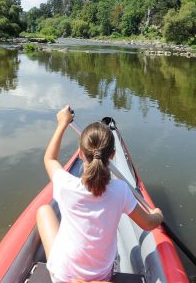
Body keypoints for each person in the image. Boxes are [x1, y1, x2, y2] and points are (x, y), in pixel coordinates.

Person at [36, 106, 164, 283]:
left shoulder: (64, 184)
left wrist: (62, 124)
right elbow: (148, 224)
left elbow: (49, 159)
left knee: (43, 211)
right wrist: (158, 215)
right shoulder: (121, 190)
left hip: (63, 277)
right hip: (101, 276)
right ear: (112, 156)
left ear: (80, 154)